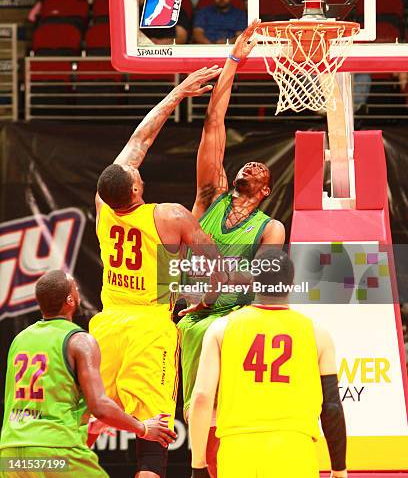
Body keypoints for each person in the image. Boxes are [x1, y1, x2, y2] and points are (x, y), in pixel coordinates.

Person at [89, 64, 229, 478]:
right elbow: (215, 264)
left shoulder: (103, 208)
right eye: (135, 174)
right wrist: (204, 299)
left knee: (87, 422)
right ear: (135, 189)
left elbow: (138, 141)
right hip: (151, 328)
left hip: (107, 326)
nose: (137, 168)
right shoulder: (169, 216)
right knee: (155, 434)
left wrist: (176, 94)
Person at [178, 21, 285, 477]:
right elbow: (213, 124)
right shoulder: (209, 197)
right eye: (246, 164)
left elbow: (265, 281)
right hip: (196, 321)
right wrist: (234, 61)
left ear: (265, 190)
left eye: (260, 169)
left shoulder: (270, 228)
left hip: (235, 322)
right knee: (201, 415)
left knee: (232, 419)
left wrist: (213, 284)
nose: (252, 164)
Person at [0, 270, 176, 478]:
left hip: (11, 453)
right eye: (74, 286)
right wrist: (143, 427)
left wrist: (91, 425)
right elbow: (100, 406)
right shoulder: (79, 340)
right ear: (70, 299)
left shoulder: (20, 340)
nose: (78, 290)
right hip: (55, 450)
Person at [189, 249, 348, 478]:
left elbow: (202, 397)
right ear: (291, 285)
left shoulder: (221, 328)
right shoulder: (317, 334)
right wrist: (339, 468)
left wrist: (198, 465)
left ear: (253, 282)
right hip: (294, 450)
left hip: (238, 451)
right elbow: (332, 406)